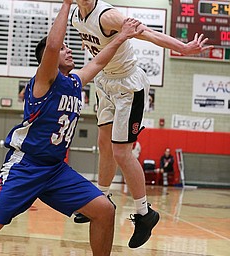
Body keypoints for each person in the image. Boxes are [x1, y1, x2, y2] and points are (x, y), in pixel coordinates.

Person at [0, 1, 144, 255]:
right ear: (48, 60)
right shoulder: (44, 80)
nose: (68, 50)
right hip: (26, 166)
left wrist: (122, 36)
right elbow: (51, 45)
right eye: (63, 49)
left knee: (105, 210)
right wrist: (68, 3)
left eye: (67, 47)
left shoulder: (74, 82)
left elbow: (99, 62)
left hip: (55, 170)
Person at [71, 0, 213, 249]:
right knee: (104, 144)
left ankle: (145, 213)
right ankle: (101, 199)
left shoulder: (108, 15)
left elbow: (147, 33)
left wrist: (183, 47)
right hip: (104, 82)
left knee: (121, 153)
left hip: (129, 85)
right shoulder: (75, 16)